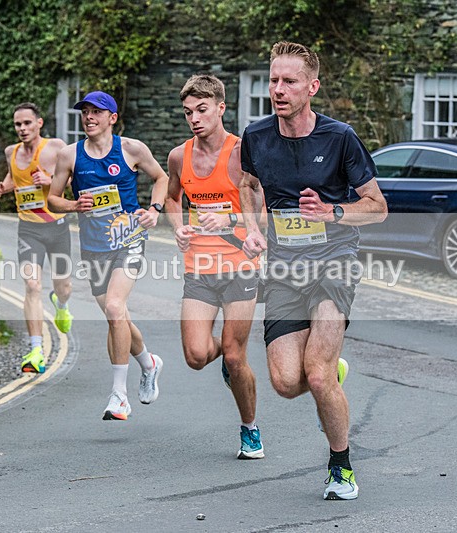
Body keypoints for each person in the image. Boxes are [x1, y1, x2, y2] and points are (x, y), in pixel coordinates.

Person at [239, 42, 388, 500]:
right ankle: (330, 367)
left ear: (312, 87)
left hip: (333, 264)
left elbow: (378, 207)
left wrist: (333, 213)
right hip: (283, 269)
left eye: (290, 81)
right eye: (274, 81)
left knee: (318, 375)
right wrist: (252, 228)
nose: (278, 90)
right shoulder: (256, 136)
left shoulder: (340, 137)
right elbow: (248, 185)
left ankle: (341, 467)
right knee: (287, 382)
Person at [47, 91, 169, 421]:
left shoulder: (131, 149)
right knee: (117, 318)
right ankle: (149, 363)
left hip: (129, 239)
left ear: (112, 118)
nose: (89, 117)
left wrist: (155, 210)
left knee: (116, 308)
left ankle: (119, 395)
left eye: (96, 112)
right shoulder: (69, 155)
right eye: (85, 112)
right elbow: (52, 199)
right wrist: (74, 205)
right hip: (93, 247)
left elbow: (161, 178)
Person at [166, 74, 264, 459]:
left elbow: (263, 214)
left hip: (240, 263)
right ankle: (226, 363)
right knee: (194, 356)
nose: (194, 118)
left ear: (221, 108)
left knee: (235, 354)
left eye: (202, 109)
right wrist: (178, 229)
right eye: (188, 112)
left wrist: (231, 222)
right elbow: (173, 199)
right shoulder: (179, 156)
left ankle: (250, 429)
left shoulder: (243, 155)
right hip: (200, 267)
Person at [0, 102, 74, 374]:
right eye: (18, 124)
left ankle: (61, 304)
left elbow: (72, 181)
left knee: (64, 287)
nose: (22, 129)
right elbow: (15, 177)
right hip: (28, 229)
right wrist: (3, 188)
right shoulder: (10, 152)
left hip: (57, 227)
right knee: (32, 285)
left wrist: (49, 180)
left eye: (27, 123)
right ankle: (36, 349)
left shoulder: (55, 147)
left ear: (39, 123)